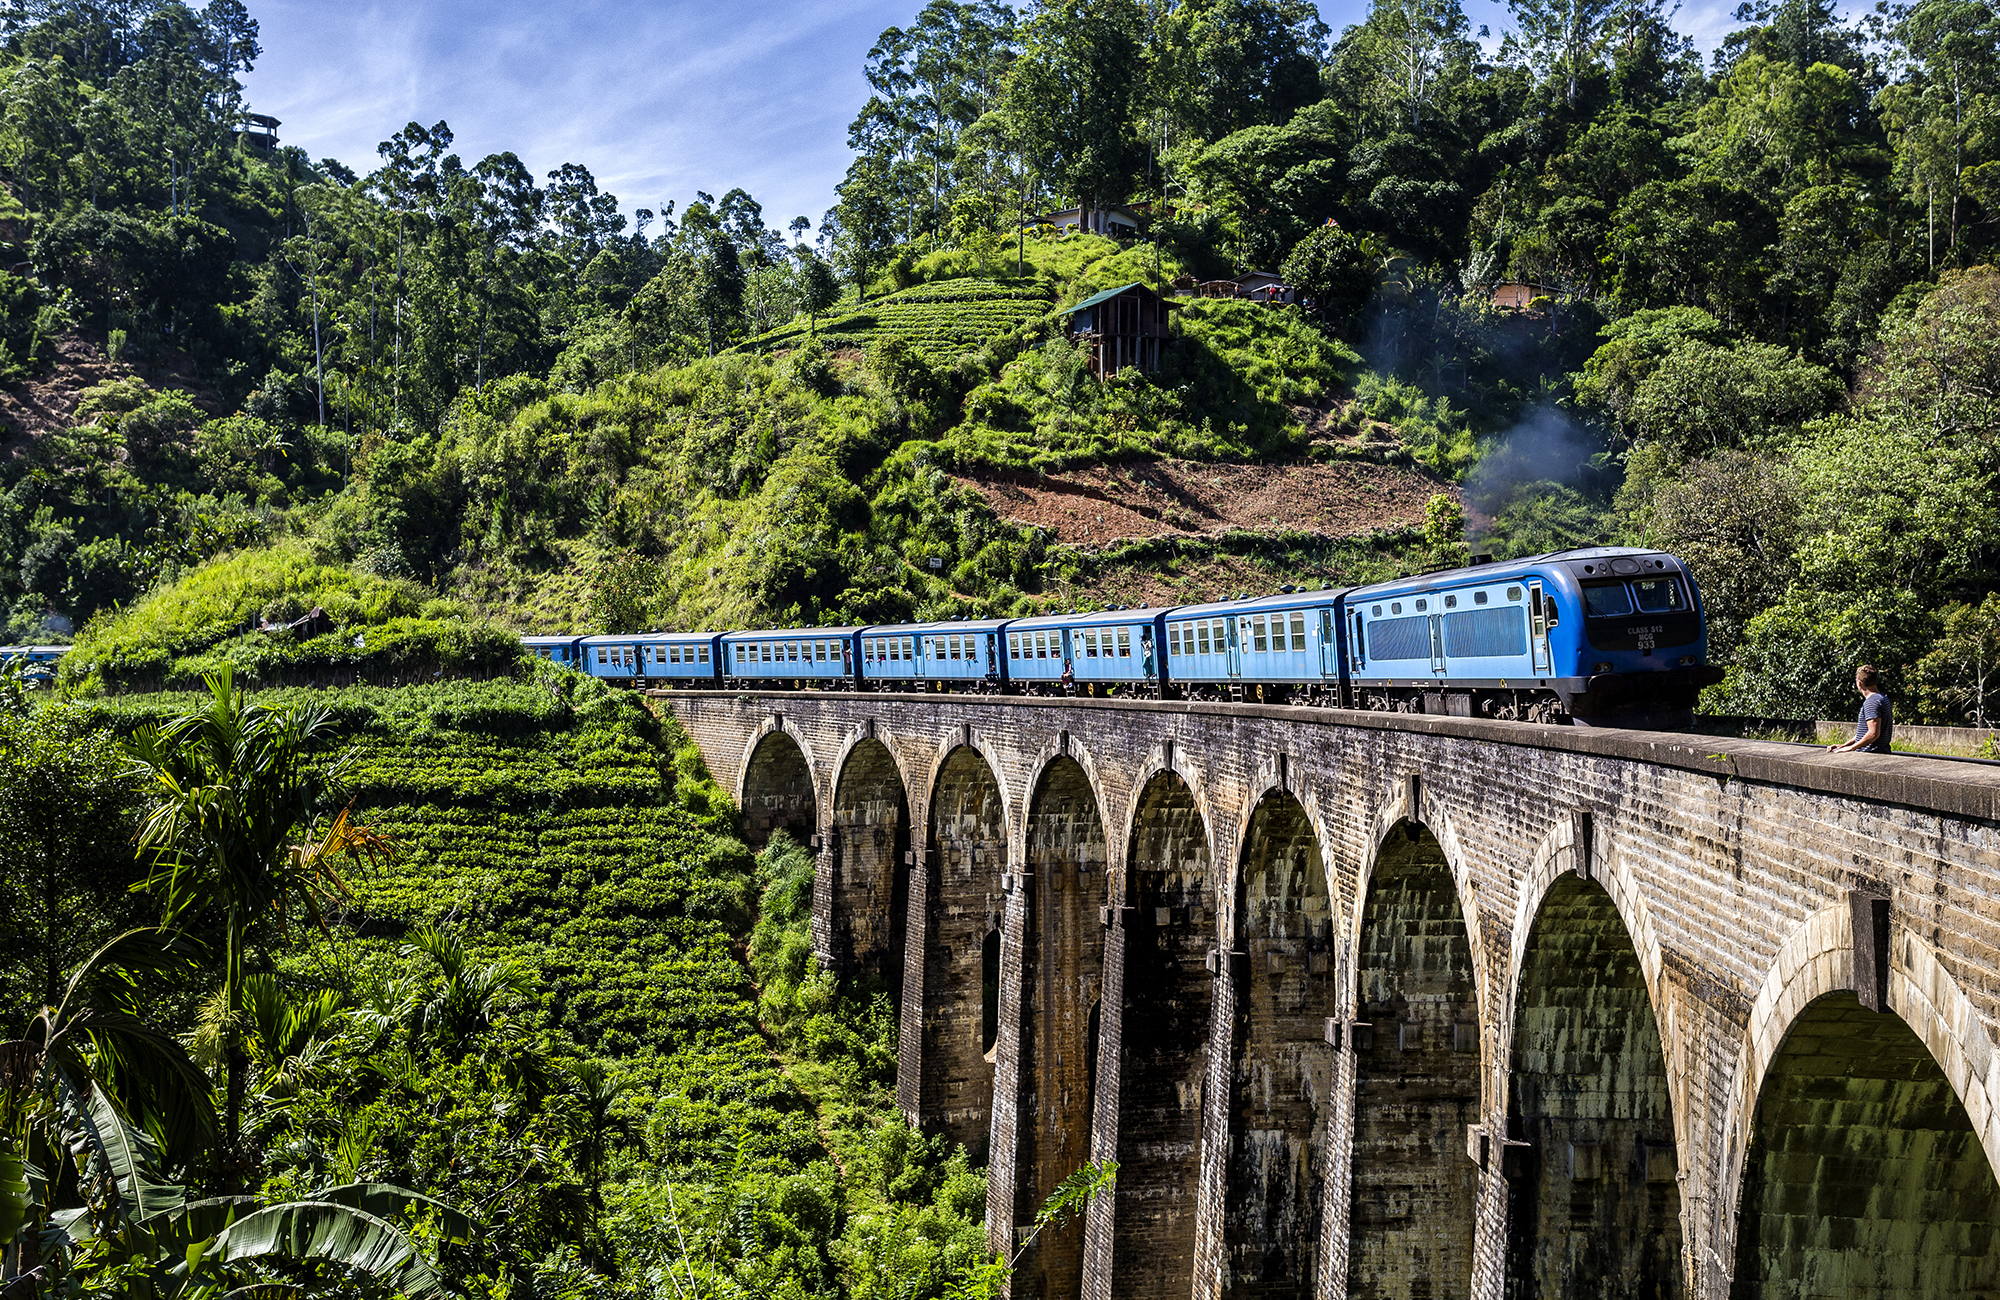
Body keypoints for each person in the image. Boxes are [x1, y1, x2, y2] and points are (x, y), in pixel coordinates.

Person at [1828, 665, 1894, 754]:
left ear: (1859, 683)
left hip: (1871, 754)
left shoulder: (1872, 702)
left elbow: (1873, 734)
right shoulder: (1882, 698)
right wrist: (1844, 745)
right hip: (1879, 752)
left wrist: (1851, 748)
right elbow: (1865, 734)